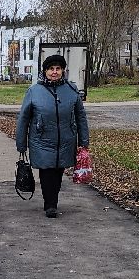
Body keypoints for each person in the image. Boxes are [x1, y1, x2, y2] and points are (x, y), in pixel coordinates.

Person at [15, 54, 88, 219]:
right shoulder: (34, 91)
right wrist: (21, 142)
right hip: (41, 140)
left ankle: (52, 200)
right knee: (47, 171)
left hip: (65, 140)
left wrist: (84, 141)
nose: (54, 72)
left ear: (63, 70)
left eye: (58, 69)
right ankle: (50, 205)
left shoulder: (71, 90)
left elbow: (80, 116)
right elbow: (24, 118)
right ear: (45, 71)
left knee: (58, 171)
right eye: (51, 69)